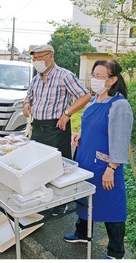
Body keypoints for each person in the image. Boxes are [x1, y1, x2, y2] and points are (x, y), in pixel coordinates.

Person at [63, 59, 133, 259]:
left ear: (112, 80)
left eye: (100, 76)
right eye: (94, 75)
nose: (95, 79)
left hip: (105, 165)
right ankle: (82, 234)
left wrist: (112, 168)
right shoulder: (95, 99)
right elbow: (94, 127)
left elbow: (120, 139)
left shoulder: (119, 105)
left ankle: (116, 251)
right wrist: (81, 135)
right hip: (86, 160)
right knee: (85, 198)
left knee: (112, 206)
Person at [23, 44, 91, 216]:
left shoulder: (64, 75)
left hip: (56, 126)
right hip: (38, 126)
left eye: (40, 57)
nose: (36, 61)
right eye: (34, 58)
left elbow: (85, 95)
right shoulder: (36, 78)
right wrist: (26, 104)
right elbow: (29, 96)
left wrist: (67, 113)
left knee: (58, 166)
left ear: (50, 57)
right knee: (38, 164)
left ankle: (61, 202)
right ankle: (43, 197)